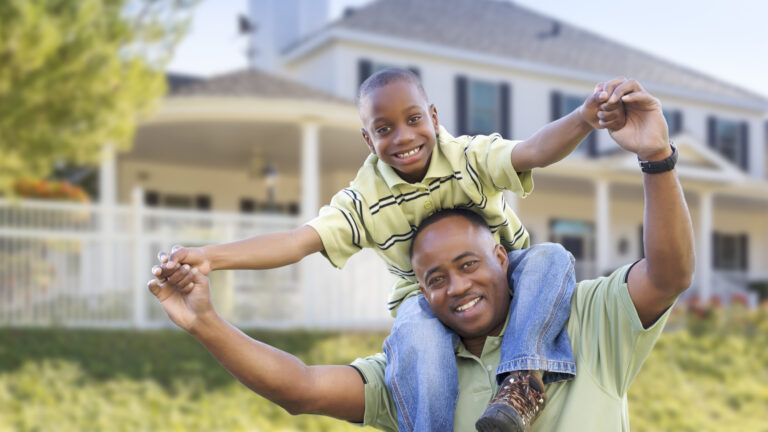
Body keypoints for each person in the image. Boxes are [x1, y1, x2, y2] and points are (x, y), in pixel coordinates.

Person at [149, 80, 693, 431]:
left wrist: (615, 135)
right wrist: (209, 282)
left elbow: (534, 153)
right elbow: (300, 377)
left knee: (551, 256)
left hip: (532, 281)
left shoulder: (586, 319)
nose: (456, 285)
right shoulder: (416, 358)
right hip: (416, 319)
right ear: (367, 139)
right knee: (414, 327)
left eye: (469, 265)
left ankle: (523, 379)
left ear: (433, 116)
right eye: (383, 129)